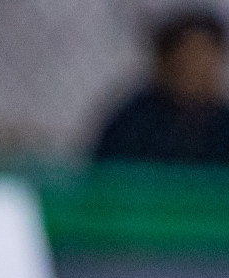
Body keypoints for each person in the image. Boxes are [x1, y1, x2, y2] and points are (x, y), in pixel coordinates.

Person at [94, 7, 229, 164]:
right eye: (189, 56)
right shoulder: (134, 123)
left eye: (207, 58)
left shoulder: (223, 124)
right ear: (165, 61)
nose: (198, 68)